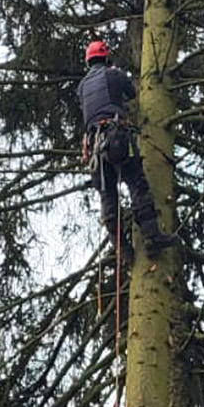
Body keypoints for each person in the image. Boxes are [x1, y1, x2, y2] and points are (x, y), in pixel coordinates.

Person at [77, 39, 176, 261]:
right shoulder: (114, 74)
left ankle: (124, 251)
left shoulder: (82, 86)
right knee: (136, 183)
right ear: (105, 57)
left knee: (107, 195)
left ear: (88, 61)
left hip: (95, 147)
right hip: (116, 136)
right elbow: (130, 93)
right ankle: (152, 237)